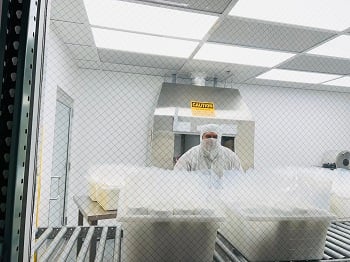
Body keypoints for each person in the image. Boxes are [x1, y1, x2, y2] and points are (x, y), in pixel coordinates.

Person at [174, 124, 243, 177]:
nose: (212, 139)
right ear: (202, 137)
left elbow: (239, 177)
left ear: (219, 138)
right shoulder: (190, 156)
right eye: (208, 136)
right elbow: (178, 176)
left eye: (215, 137)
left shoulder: (230, 156)